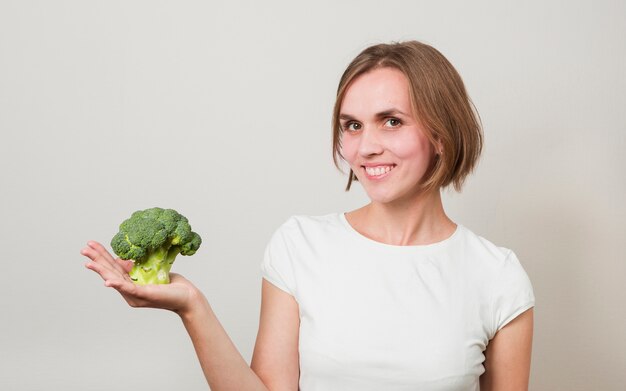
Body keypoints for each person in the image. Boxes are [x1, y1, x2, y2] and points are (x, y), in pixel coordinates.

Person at [82, 40, 535, 391]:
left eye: (391, 120)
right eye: (352, 125)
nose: (366, 146)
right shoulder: (300, 246)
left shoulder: (497, 276)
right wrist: (192, 308)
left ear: (441, 133)